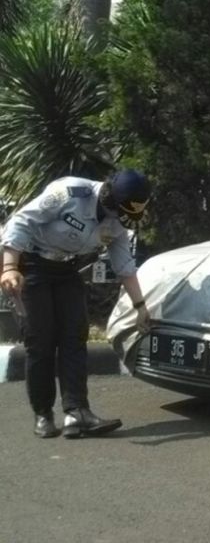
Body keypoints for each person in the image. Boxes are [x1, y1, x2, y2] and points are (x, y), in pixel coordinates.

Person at [0, 170, 154, 438]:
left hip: (67, 270)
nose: (119, 220)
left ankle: (77, 413)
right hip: (32, 266)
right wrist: (10, 267)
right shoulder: (69, 194)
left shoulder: (118, 219)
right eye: (118, 211)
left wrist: (140, 306)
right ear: (108, 197)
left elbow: (124, 266)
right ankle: (43, 414)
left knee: (75, 337)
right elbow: (22, 221)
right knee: (41, 342)